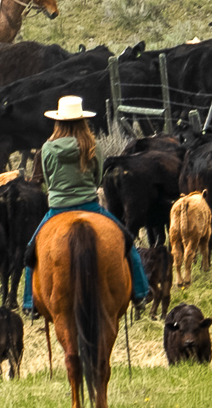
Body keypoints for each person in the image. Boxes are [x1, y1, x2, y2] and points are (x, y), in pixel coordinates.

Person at [21, 95, 149, 311]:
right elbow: (98, 178)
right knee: (127, 242)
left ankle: (29, 302)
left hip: (58, 209)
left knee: (31, 252)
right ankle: (140, 292)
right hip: (90, 206)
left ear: (58, 121)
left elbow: (49, 181)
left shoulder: (47, 149)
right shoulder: (92, 145)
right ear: (83, 121)